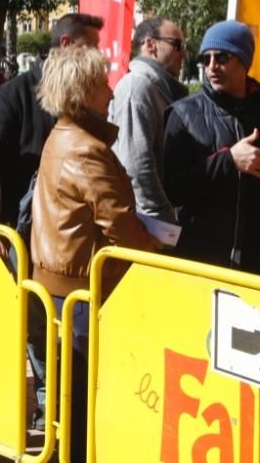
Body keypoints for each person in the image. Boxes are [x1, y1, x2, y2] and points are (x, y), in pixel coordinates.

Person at [30, 46, 163, 463]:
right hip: (84, 293)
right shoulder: (87, 148)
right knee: (83, 397)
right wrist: (158, 247)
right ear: (84, 90)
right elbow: (120, 224)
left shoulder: (63, 134)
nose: (110, 92)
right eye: (102, 83)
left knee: (68, 393)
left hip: (59, 284)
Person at [163, 20, 260, 279]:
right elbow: (172, 188)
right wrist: (229, 160)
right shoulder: (183, 113)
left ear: (244, 61)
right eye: (205, 59)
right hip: (208, 262)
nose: (211, 67)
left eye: (222, 57)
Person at [0, 12, 103, 229]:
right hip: (26, 225)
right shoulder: (13, 94)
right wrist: (3, 220)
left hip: (74, 224)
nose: (97, 53)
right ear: (66, 43)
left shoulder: (90, 97)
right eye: (91, 46)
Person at [109, 17, 188, 223]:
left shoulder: (157, 89)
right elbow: (136, 164)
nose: (184, 54)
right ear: (150, 45)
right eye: (177, 45)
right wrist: (164, 219)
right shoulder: (137, 88)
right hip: (146, 226)